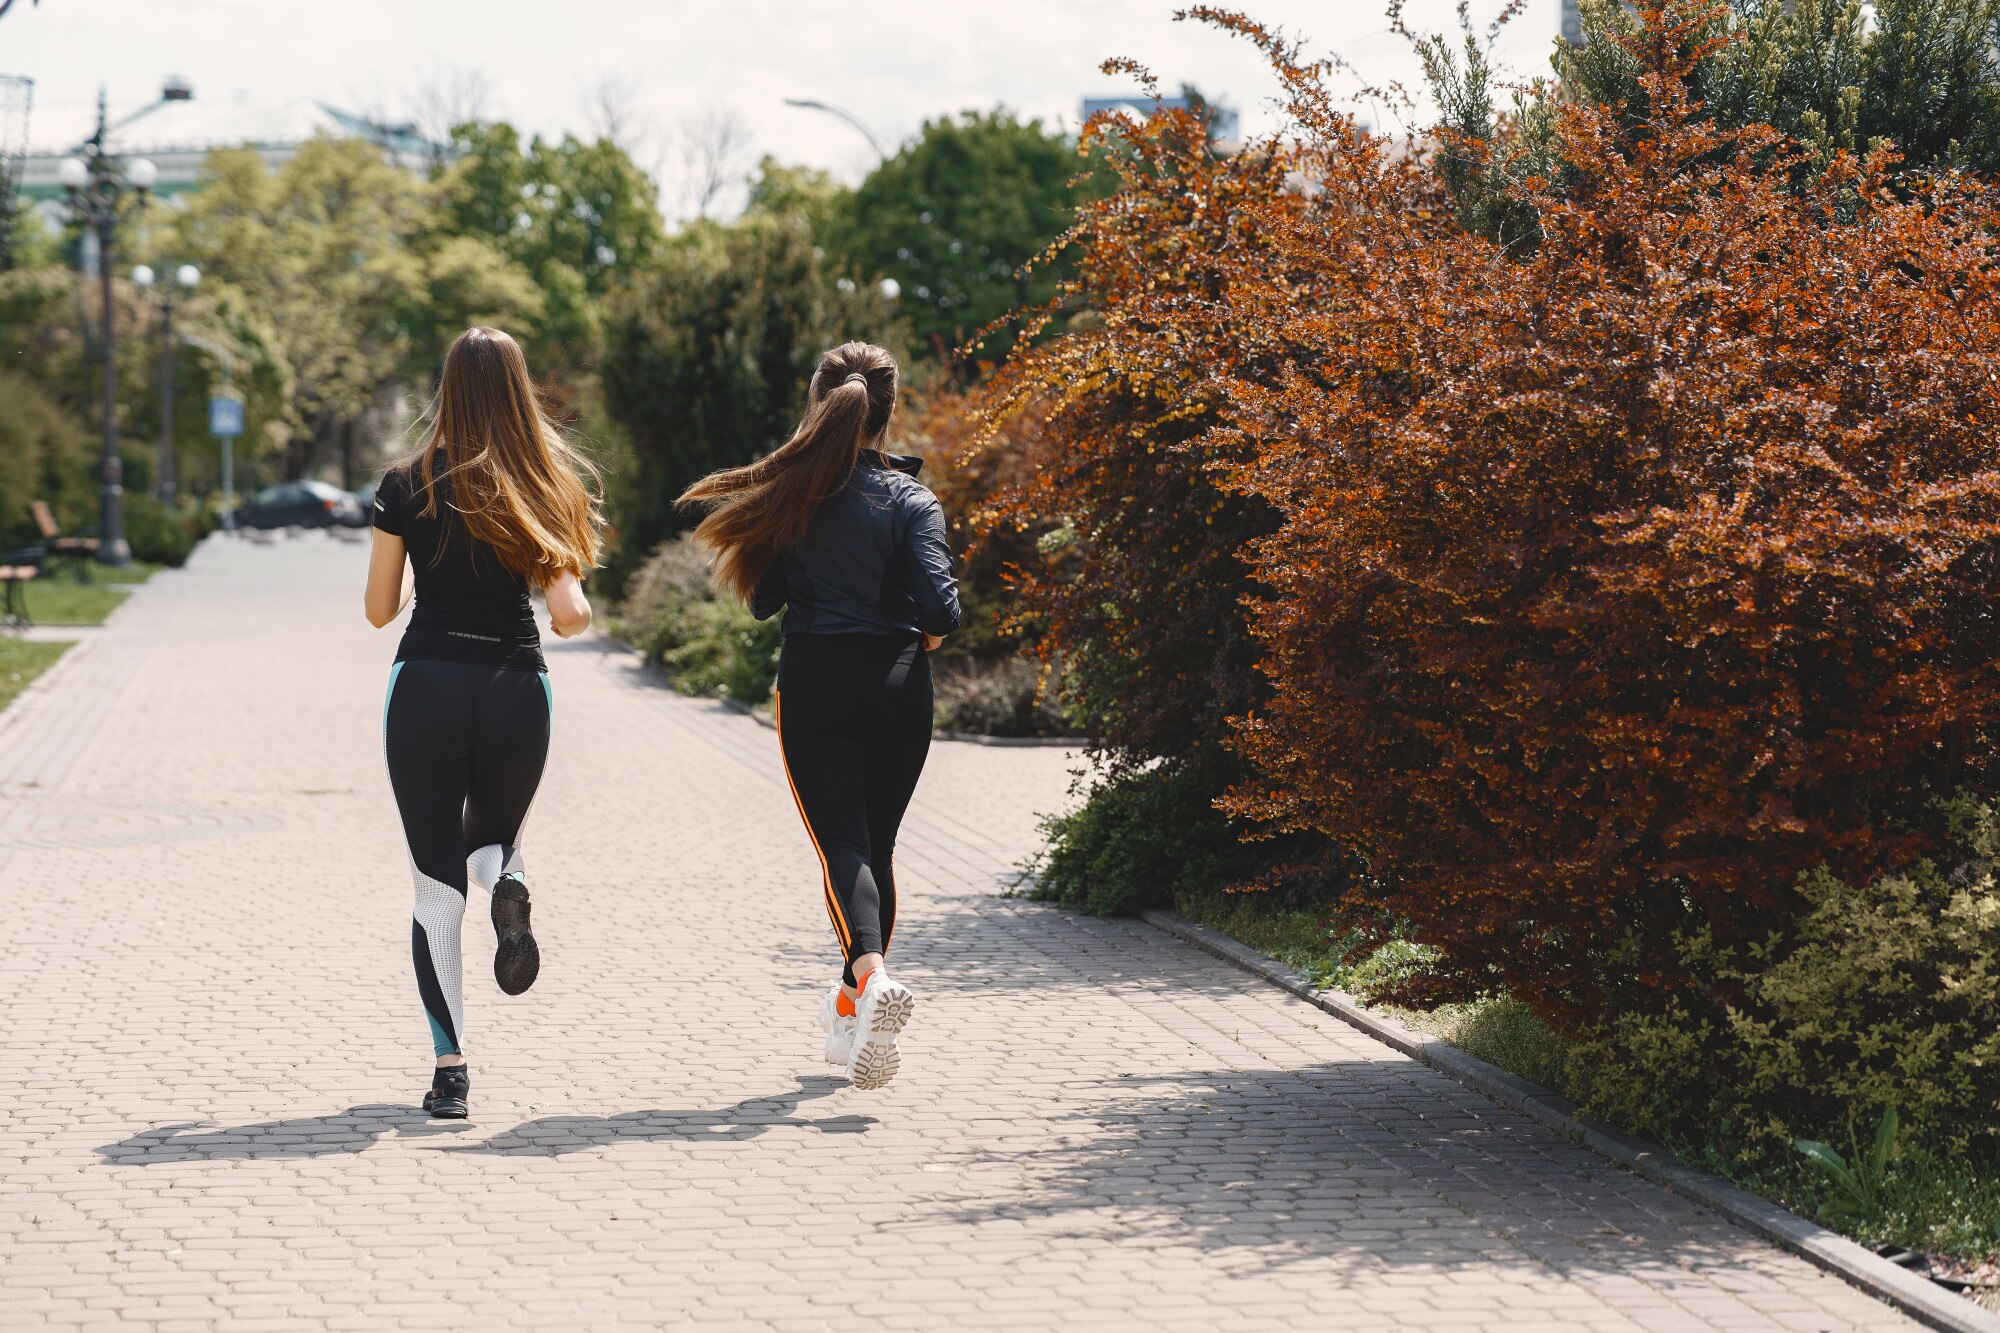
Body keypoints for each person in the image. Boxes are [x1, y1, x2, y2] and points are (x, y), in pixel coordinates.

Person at [680, 341, 959, 1090]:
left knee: (844, 845)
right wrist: (916, 629)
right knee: (878, 849)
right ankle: (851, 1012)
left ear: (819, 403)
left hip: (815, 684)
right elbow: (942, 611)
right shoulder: (914, 501)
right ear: (890, 409)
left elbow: (765, 599)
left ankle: (869, 979)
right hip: (902, 685)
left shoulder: (792, 496)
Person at [364, 326, 602, 1119]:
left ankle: (451, 1071)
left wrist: (421, 569)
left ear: (447, 390)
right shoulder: (545, 483)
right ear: (518, 390)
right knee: (492, 840)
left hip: (425, 683)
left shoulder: (405, 483)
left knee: (435, 886)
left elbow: (376, 611)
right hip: (514, 688)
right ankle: (509, 882)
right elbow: (569, 616)